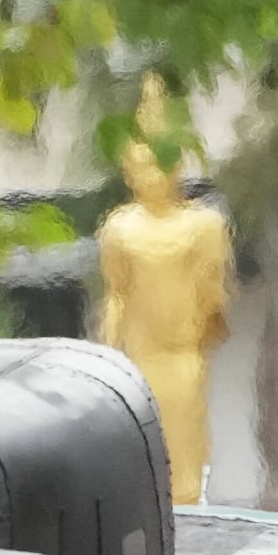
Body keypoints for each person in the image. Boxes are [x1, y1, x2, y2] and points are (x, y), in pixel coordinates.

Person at [93, 75, 232, 507]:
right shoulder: (120, 228)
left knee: (184, 465)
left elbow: (212, 297)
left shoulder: (203, 225)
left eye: (158, 162)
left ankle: (185, 518)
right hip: (138, 359)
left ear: (176, 167)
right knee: (138, 459)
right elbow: (116, 295)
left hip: (181, 358)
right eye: (139, 164)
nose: (148, 174)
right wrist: (109, 353)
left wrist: (196, 338)